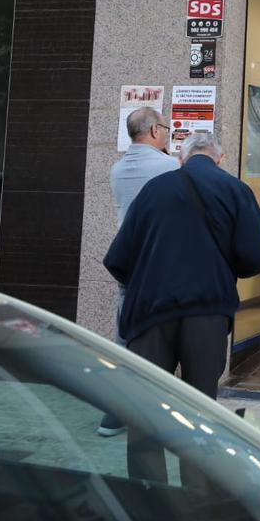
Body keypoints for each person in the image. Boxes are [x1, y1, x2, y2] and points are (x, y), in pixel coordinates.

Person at [103, 131, 260, 485]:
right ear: (219, 158)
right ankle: (195, 496)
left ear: (181, 158)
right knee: (200, 410)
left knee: (145, 408)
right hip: (207, 313)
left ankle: (150, 495)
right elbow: (257, 255)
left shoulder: (154, 189)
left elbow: (118, 259)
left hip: (150, 313)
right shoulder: (235, 190)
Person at [96, 107, 178, 437]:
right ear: (155, 131)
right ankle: (153, 410)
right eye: (167, 128)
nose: (169, 134)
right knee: (161, 335)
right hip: (157, 260)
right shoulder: (170, 166)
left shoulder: (118, 168)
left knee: (124, 333)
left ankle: (114, 412)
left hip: (126, 260)